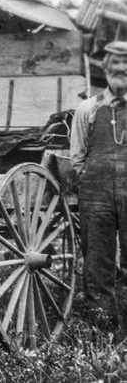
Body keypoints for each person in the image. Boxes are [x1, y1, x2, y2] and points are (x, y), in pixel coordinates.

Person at [71, 40, 127, 329]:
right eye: (115, 64)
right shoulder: (88, 108)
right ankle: (104, 326)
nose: (121, 69)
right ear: (105, 69)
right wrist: (90, 180)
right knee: (97, 261)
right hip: (96, 192)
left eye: (126, 63)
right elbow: (77, 156)